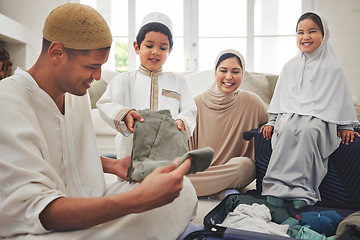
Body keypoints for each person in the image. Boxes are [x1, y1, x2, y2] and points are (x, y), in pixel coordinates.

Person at [0, 3, 197, 239]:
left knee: (182, 189)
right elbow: (36, 210)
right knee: (146, 205)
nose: (98, 77)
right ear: (56, 53)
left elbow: (63, 152)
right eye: (92, 66)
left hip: (90, 201)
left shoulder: (75, 94)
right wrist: (136, 201)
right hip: (44, 226)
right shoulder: (8, 100)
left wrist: (112, 165)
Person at [260, 12, 359, 209]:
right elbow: (279, 98)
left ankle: (302, 191)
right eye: (300, 32)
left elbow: (341, 100)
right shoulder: (290, 67)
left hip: (320, 119)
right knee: (286, 130)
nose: (305, 36)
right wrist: (272, 122)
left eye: (312, 31)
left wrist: (346, 125)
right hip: (290, 116)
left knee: (308, 131)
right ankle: (277, 188)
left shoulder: (333, 69)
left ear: (324, 35)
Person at [97, 12, 197, 159]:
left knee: (168, 179)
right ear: (137, 47)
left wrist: (182, 121)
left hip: (168, 148)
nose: (155, 52)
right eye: (149, 45)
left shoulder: (178, 81)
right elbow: (105, 103)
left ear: (170, 51)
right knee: (132, 181)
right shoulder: (124, 80)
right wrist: (124, 113)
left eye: (163, 48)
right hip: (131, 150)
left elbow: (190, 110)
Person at [187, 49, 268, 199]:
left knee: (247, 167)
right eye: (223, 70)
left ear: (242, 74)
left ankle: (182, 188)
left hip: (234, 171)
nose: (229, 77)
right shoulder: (196, 104)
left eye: (235, 71)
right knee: (176, 170)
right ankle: (219, 191)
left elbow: (274, 124)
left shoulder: (252, 102)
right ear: (215, 72)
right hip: (200, 170)